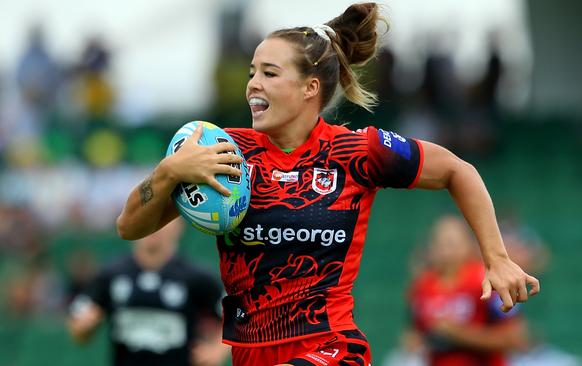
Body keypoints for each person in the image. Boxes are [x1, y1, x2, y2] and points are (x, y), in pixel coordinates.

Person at [116, 3, 540, 365]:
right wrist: (169, 171)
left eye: (269, 73)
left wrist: (496, 257)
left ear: (309, 87)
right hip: (250, 349)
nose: (253, 85)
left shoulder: (358, 152)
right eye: (252, 72)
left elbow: (457, 170)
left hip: (332, 347)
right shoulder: (224, 153)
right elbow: (129, 227)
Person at [67, 219, 230, 366]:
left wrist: (217, 350)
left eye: (162, 218)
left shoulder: (196, 277)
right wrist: (84, 327)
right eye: (147, 216)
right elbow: (78, 327)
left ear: (178, 226)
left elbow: (237, 316)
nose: (153, 226)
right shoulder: (110, 274)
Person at [409, 215, 529, 366]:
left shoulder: (486, 280)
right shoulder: (422, 285)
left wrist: (459, 334)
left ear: (468, 244)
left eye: (451, 243)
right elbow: (415, 332)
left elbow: (514, 337)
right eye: (439, 243)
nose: (445, 251)